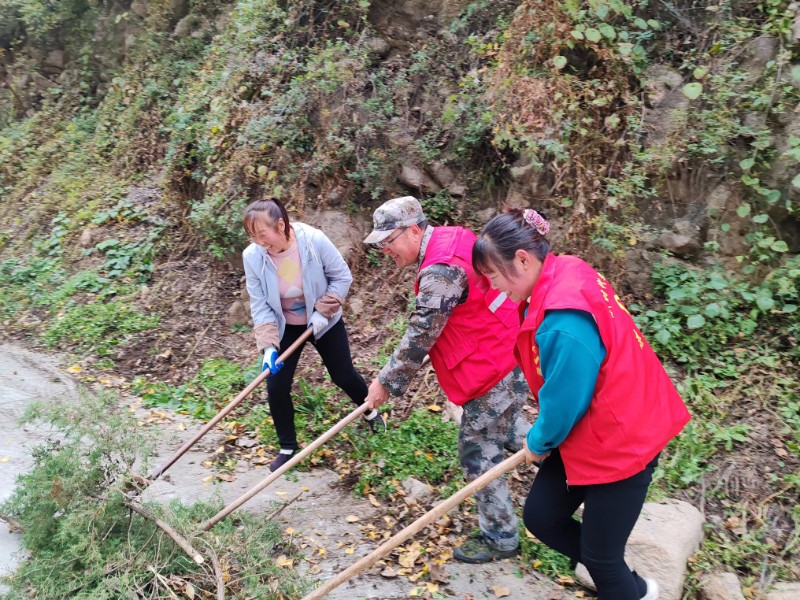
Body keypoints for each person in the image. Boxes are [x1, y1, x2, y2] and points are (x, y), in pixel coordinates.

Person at [471, 207, 691, 600]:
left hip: (623, 439)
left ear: (522, 259)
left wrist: (538, 442)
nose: (493, 288)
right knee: (542, 516)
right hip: (592, 428)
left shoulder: (563, 320)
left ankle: (627, 587)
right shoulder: (565, 268)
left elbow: (564, 402)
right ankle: (628, 584)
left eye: (492, 276)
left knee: (601, 560)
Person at [363, 196, 530, 563]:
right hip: (505, 353)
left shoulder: (440, 271)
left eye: (388, 241)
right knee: (510, 428)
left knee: (478, 450)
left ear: (414, 230)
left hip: (488, 369)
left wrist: (386, 384)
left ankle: (500, 538)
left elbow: (421, 334)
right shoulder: (452, 236)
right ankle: (576, 469)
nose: (385, 250)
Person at [242, 197, 384, 472]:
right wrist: (269, 346)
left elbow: (342, 277)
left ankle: (371, 412)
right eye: (252, 236)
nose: (259, 242)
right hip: (286, 326)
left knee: (343, 375)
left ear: (281, 225)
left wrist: (323, 312)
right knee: (276, 385)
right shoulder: (253, 257)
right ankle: (287, 447)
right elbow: (259, 303)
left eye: (262, 235)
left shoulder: (313, 241)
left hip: (324, 320)